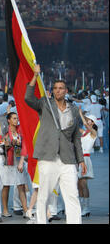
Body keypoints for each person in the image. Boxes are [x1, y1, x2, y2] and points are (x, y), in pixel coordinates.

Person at [25, 64, 86, 224]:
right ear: (52, 90)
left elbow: (76, 138)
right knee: (43, 195)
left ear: (66, 91)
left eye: (61, 88)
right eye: (55, 88)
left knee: (72, 195)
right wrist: (35, 76)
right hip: (48, 157)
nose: (58, 90)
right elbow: (28, 98)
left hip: (67, 158)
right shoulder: (45, 104)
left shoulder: (73, 110)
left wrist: (81, 160)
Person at [2, 112, 28, 217]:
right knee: (6, 185)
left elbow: (24, 144)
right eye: (14, 118)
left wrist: (19, 144)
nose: (16, 120)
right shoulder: (5, 130)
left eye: (17, 118)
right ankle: (5, 210)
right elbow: (3, 145)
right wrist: (10, 143)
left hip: (18, 160)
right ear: (9, 120)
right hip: (8, 161)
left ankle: (26, 210)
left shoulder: (19, 130)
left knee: (21, 185)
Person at [77, 108, 98, 217]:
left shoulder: (93, 132)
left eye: (91, 121)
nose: (89, 122)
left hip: (85, 159)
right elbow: (77, 128)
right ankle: (80, 207)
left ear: (94, 123)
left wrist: (80, 113)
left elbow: (85, 124)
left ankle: (86, 208)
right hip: (79, 159)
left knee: (84, 184)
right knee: (78, 184)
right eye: (89, 120)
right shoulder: (85, 132)